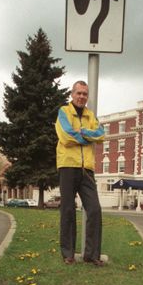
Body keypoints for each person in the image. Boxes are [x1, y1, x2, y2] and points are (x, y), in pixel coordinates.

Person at [55, 80, 105, 266]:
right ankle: (68, 253)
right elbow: (66, 136)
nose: (82, 96)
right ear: (72, 94)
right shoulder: (63, 112)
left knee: (94, 210)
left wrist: (81, 132)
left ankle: (91, 255)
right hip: (68, 165)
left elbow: (100, 134)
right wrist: (87, 137)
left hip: (87, 169)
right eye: (79, 93)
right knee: (68, 210)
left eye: (85, 94)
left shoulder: (91, 115)